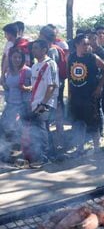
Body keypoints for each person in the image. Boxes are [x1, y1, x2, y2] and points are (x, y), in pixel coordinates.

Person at [67, 34, 104, 155]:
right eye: (84, 44)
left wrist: (99, 87)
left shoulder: (92, 57)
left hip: (90, 96)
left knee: (93, 123)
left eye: (88, 44)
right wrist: (70, 92)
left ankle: (97, 148)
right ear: (76, 45)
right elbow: (69, 75)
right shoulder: (71, 57)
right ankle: (80, 148)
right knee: (78, 123)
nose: (87, 46)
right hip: (76, 96)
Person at [27, 39, 59, 167]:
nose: (33, 50)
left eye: (35, 48)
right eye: (33, 48)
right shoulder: (35, 66)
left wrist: (44, 104)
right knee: (41, 130)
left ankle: (45, 157)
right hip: (35, 103)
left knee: (42, 129)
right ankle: (46, 155)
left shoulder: (50, 64)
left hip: (45, 104)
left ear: (44, 50)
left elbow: (51, 85)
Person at [0, 48, 31, 144]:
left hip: (23, 105)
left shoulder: (27, 71)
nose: (17, 60)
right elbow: (9, 87)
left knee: (23, 130)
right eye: (15, 57)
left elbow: (35, 86)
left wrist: (27, 88)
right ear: (10, 58)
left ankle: (24, 151)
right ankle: (6, 150)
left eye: (19, 57)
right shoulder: (9, 71)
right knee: (4, 127)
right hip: (10, 104)